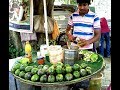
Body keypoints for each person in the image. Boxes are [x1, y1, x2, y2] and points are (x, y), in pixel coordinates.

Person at [65, 0, 101, 90]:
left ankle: (84, 87)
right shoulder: (73, 16)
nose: (81, 7)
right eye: (80, 5)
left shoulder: (95, 17)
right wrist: (70, 36)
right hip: (75, 49)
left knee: (86, 71)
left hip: (88, 50)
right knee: (74, 70)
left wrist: (87, 42)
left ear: (88, 4)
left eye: (84, 5)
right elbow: (67, 30)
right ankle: (74, 87)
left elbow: (98, 35)